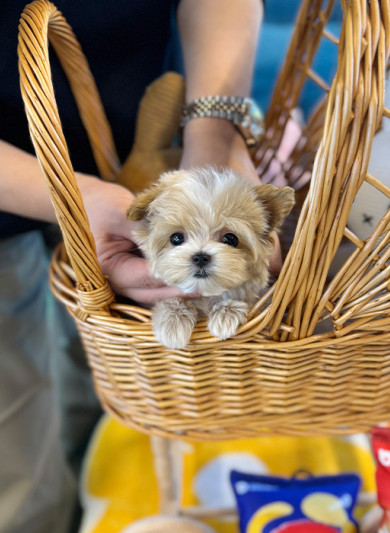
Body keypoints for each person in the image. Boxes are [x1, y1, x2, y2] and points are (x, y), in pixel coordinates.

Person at [0, 1, 274, 532]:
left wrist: (215, 130)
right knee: (17, 454)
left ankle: (104, 494)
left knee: (122, 387)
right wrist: (68, 195)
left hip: (138, 156)